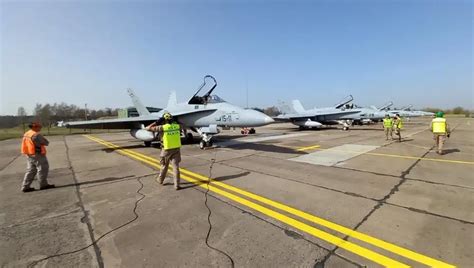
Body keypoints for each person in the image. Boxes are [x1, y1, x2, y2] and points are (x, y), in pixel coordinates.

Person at [146, 112, 182, 190]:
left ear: (164, 120)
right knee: (176, 167)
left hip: (166, 150)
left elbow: (147, 128)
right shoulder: (177, 126)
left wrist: (157, 122)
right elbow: (181, 126)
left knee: (164, 166)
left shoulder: (162, 127)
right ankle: (177, 185)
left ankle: (160, 180)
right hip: (176, 149)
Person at [20, 122, 55, 192]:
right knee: (42, 169)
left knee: (30, 170)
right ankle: (43, 185)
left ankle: (25, 186)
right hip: (37, 154)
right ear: (34, 127)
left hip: (29, 154)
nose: (40, 128)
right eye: (39, 127)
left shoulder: (27, 133)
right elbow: (46, 142)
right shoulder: (36, 135)